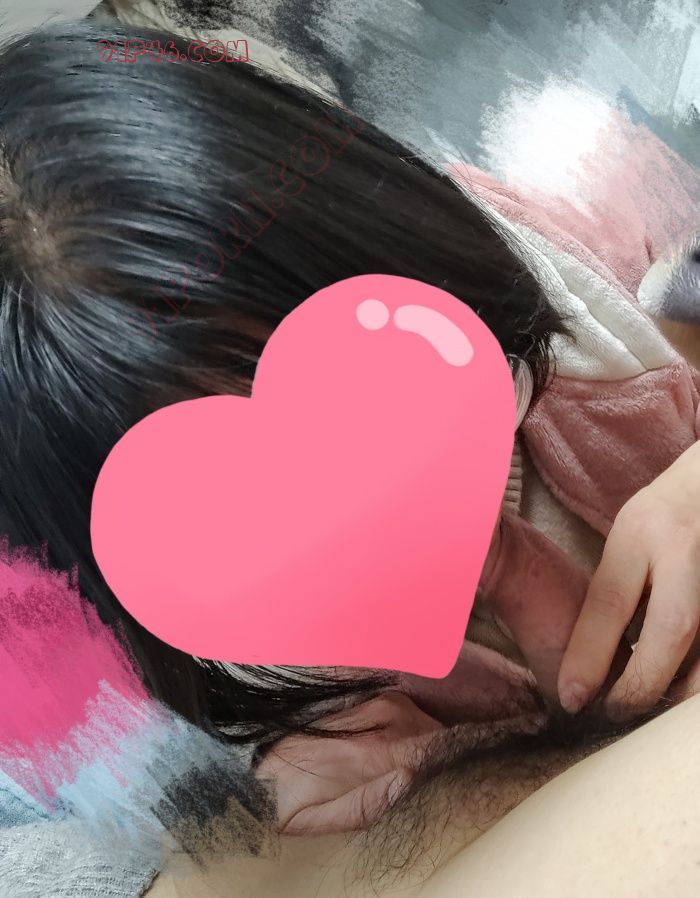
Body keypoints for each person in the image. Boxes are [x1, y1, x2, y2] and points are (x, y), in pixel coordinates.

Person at [0, 18, 699, 869]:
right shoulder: (245, 708)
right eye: (230, 506)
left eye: (360, 395)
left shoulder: (590, 262)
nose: (354, 503)